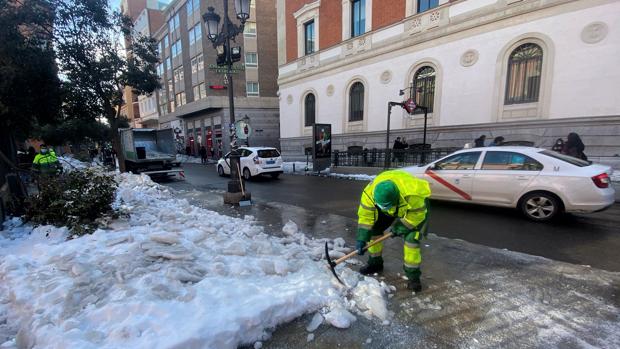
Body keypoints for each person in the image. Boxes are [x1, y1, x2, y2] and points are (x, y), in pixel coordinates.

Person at [356, 170, 431, 292]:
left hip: (414, 211)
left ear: (396, 199)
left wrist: (400, 227)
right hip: (391, 204)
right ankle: (375, 263)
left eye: (386, 205)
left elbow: (417, 215)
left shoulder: (413, 195)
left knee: (412, 240)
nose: (384, 208)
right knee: (374, 230)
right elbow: (365, 217)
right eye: (381, 205)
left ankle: (413, 277)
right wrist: (361, 238)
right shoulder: (369, 193)